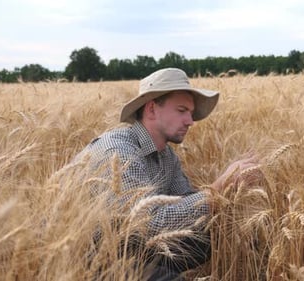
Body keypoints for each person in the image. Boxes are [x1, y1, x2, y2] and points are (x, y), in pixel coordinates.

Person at [74, 68, 258, 280]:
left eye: (190, 112)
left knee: (223, 233)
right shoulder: (118, 152)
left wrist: (231, 194)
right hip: (91, 257)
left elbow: (185, 203)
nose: (190, 121)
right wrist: (217, 190)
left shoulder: (167, 156)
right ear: (152, 109)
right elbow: (143, 225)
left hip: (135, 246)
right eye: (182, 110)